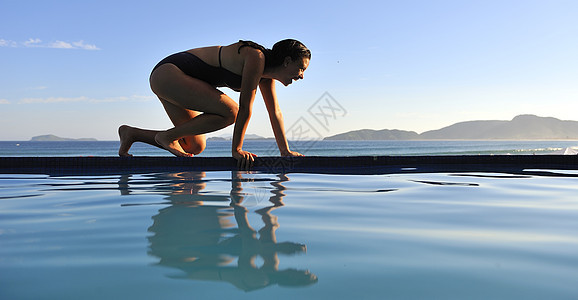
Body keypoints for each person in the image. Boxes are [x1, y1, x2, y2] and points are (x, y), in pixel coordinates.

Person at [118, 39, 311, 168]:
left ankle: (132, 134)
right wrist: (236, 150)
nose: (301, 76)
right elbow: (245, 108)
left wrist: (284, 151)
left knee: (193, 146)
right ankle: (167, 137)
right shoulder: (256, 57)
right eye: (300, 68)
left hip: (175, 79)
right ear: (287, 61)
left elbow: (274, 112)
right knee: (231, 112)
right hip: (170, 73)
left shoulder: (265, 76)